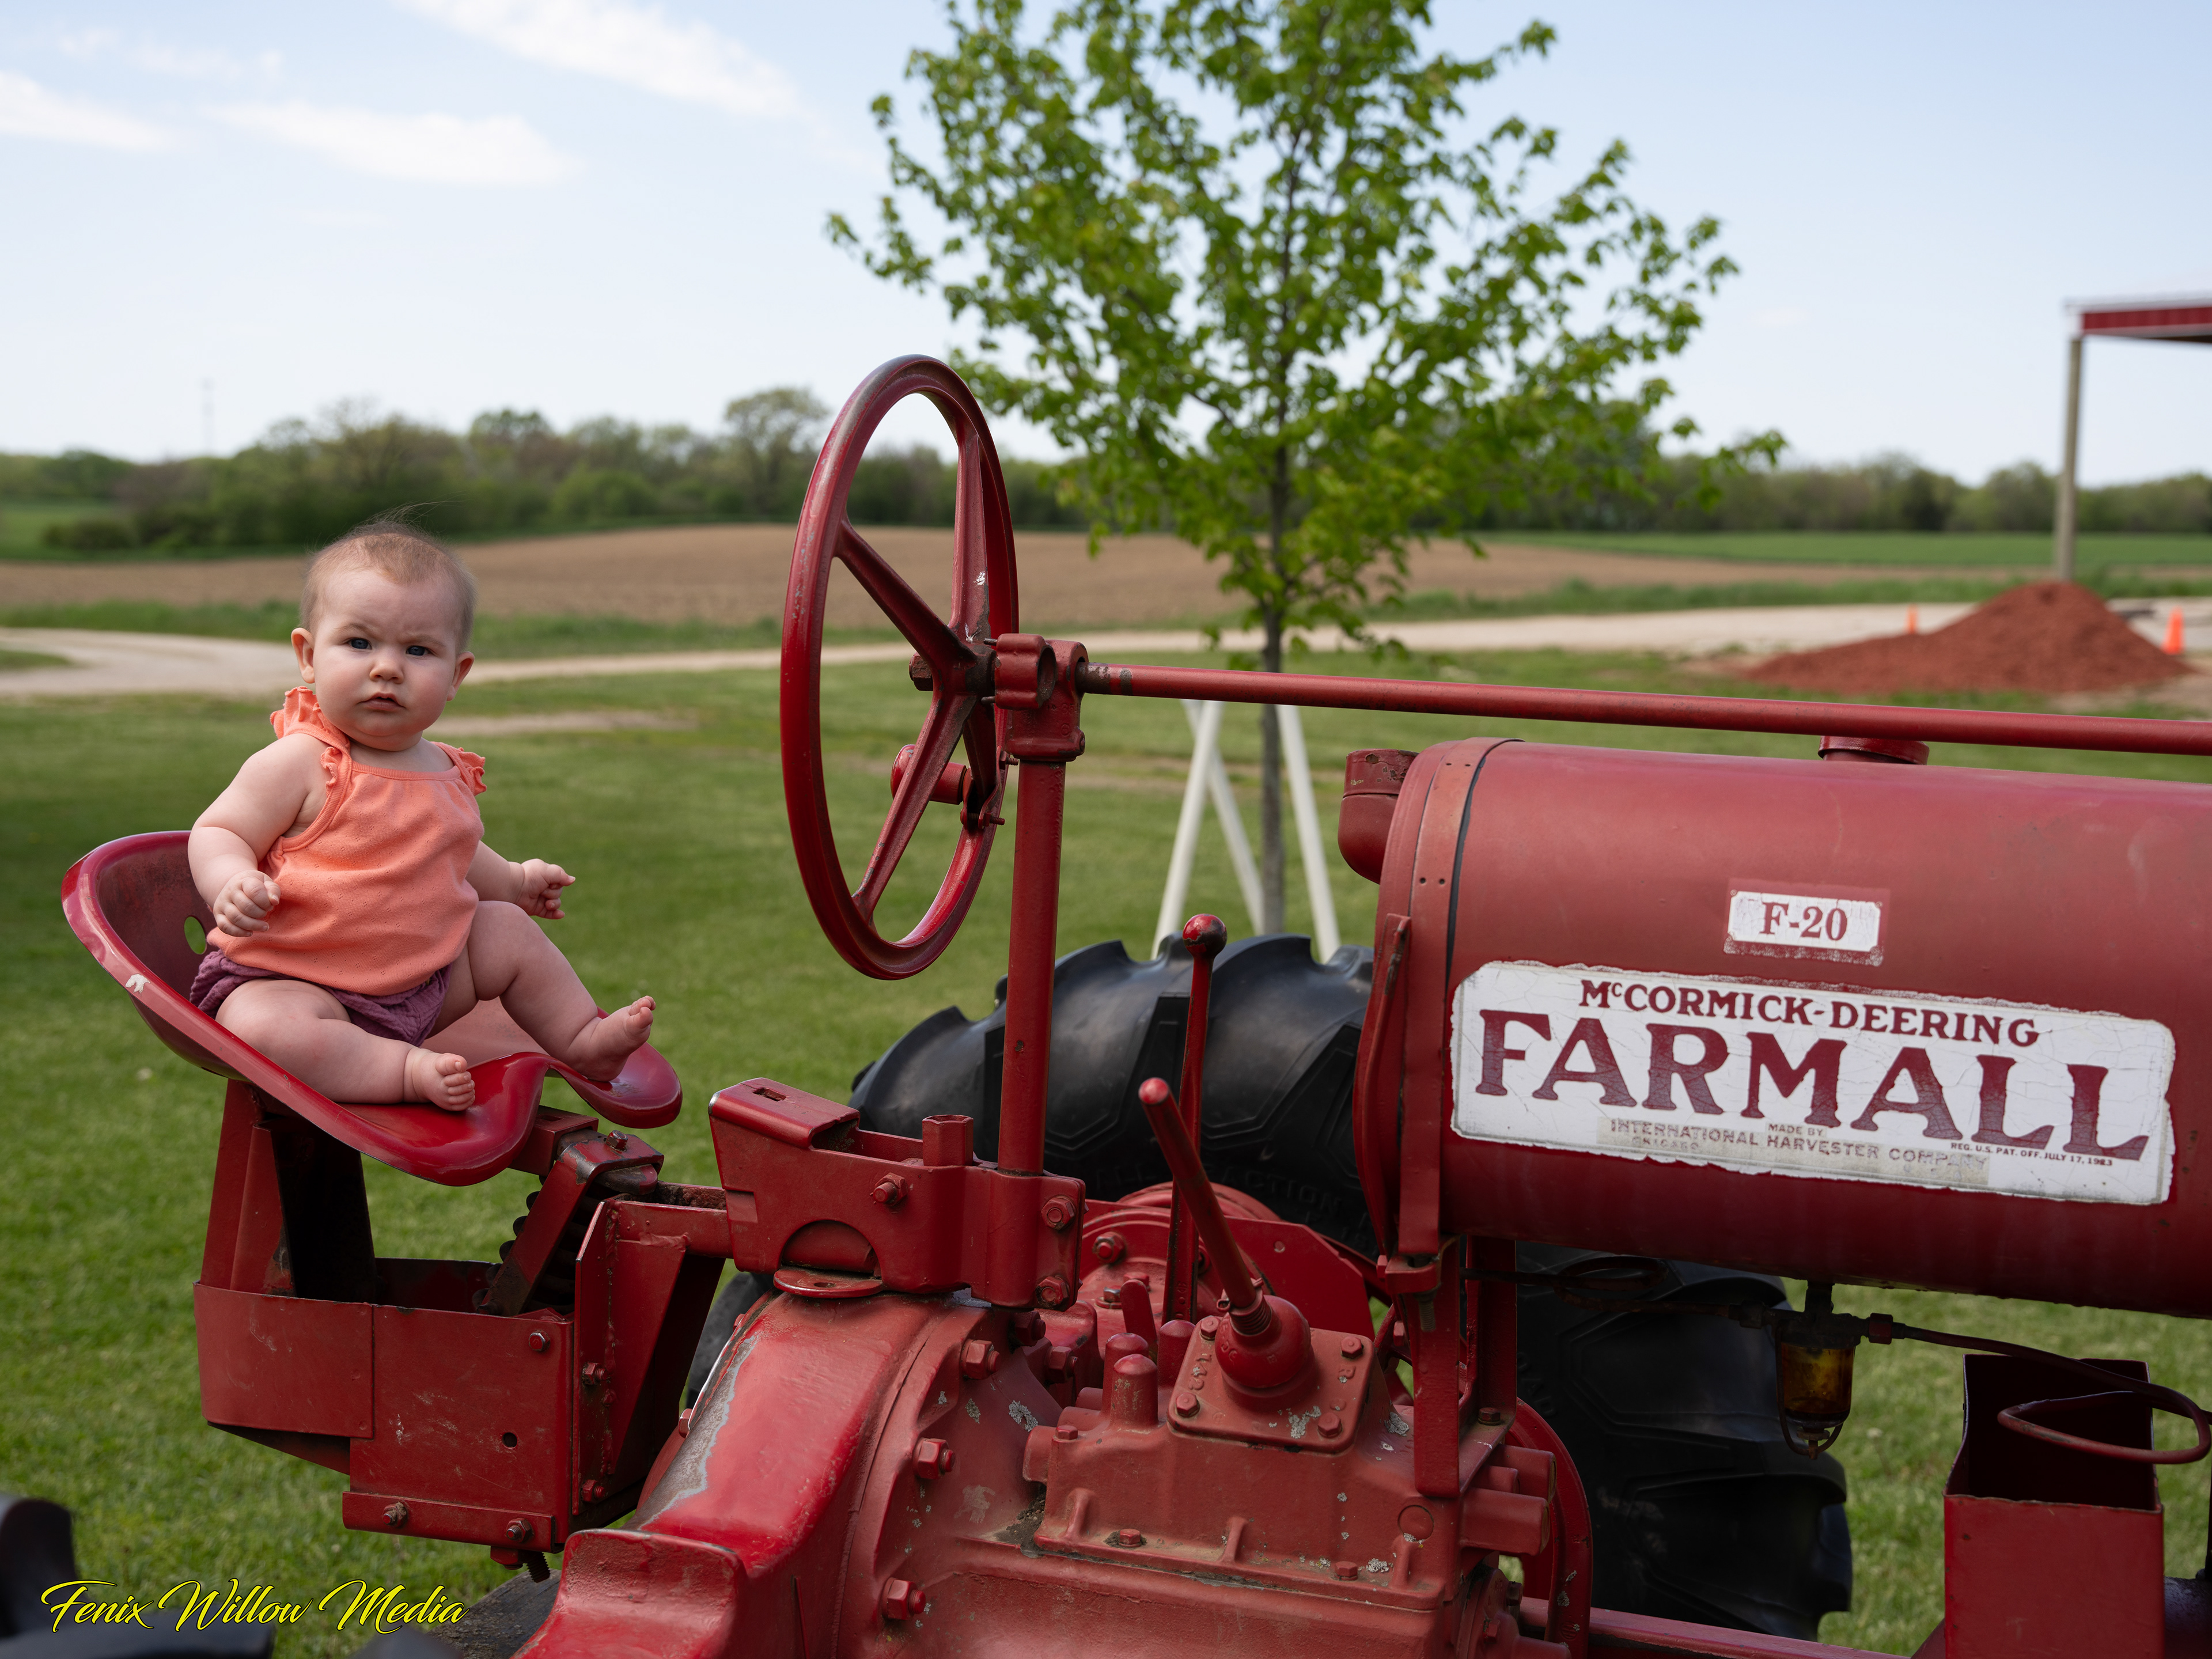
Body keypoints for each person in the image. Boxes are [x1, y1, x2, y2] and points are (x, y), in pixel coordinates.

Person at [187, 520, 654, 1110]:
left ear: (456, 675)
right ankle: (403, 1072)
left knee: (506, 931)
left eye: (417, 650)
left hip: (421, 988)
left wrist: (514, 882)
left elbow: (451, 851)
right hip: (297, 980)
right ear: (308, 655)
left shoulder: (444, 770)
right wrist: (230, 880)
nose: (387, 668)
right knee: (260, 1027)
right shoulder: (303, 761)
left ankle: (582, 1039)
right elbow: (219, 830)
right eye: (359, 644)